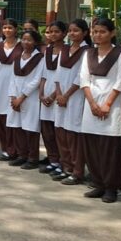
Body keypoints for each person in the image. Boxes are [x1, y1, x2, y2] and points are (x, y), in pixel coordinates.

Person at [79, 18, 121, 203]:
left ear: (112, 33)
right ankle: (98, 183)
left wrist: (107, 104)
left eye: (102, 31)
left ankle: (111, 187)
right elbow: (84, 79)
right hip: (91, 104)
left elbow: (120, 81)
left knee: (110, 148)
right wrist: (92, 103)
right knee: (91, 146)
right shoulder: (89, 53)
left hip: (111, 104)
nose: (98, 35)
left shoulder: (120, 53)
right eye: (95, 31)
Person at [53, 20, 91, 185]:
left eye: (76, 30)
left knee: (73, 134)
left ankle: (77, 171)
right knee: (61, 131)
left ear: (85, 33)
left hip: (75, 96)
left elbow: (81, 76)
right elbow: (58, 73)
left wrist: (67, 95)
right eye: (70, 30)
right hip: (61, 96)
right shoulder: (65, 49)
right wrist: (59, 93)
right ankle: (66, 166)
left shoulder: (87, 52)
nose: (72, 33)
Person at [7, 30, 45, 169]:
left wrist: (22, 97)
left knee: (30, 128)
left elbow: (37, 80)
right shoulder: (18, 57)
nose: (26, 42)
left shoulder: (40, 58)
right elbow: (12, 78)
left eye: (29, 40)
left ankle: (32, 158)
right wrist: (13, 97)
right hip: (16, 96)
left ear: (35, 42)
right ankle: (21, 155)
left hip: (30, 98)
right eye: (23, 39)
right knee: (17, 127)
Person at [0, 19, 22, 161]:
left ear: (15, 29)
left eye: (10, 28)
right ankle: (5, 148)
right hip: (1, 84)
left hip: (15, 83)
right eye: (5, 28)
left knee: (13, 117)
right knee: (1, 117)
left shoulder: (21, 45)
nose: (7, 30)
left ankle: (15, 149)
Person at [39, 21, 66, 175]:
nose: (53, 34)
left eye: (57, 31)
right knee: (47, 130)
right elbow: (44, 73)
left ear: (64, 33)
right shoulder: (48, 50)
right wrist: (41, 93)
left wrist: (53, 95)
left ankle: (63, 161)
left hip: (58, 93)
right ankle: (53, 159)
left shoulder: (67, 51)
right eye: (50, 31)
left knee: (58, 131)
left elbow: (63, 76)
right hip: (46, 93)